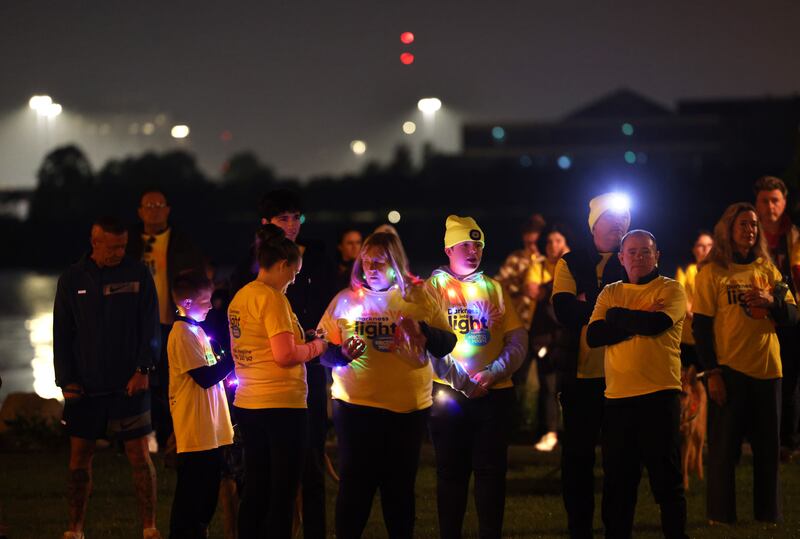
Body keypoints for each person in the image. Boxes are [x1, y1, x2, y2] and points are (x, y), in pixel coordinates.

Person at [317, 232, 465, 539]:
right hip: (355, 409)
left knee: (399, 490)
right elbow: (320, 352)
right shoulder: (345, 300)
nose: (371, 268)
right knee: (354, 489)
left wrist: (423, 331)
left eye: (380, 262)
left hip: (407, 412)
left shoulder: (418, 297)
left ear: (395, 263)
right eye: (366, 261)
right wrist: (340, 354)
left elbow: (447, 342)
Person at [230, 189, 336, 539]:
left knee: (258, 483)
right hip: (281, 404)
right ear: (281, 265)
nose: (294, 280)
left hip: (249, 401)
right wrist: (317, 346)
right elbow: (285, 355)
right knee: (283, 489)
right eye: (292, 273)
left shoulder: (241, 296)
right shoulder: (273, 299)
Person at [53, 216, 161, 539]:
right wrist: (65, 380)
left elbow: (150, 325)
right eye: (112, 247)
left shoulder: (138, 273)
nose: (119, 253)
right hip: (84, 389)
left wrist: (144, 369)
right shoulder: (72, 279)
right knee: (79, 457)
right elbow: (61, 333)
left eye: (123, 246)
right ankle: (74, 530)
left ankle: (149, 528)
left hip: (129, 386)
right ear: (94, 241)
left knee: (139, 455)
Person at [693, 202, 798, 524]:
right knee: (725, 451)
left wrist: (773, 301)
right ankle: (721, 516)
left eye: (753, 225)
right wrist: (712, 373)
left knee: (767, 451)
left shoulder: (768, 270)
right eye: (743, 224)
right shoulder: (711, 272)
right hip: (729, 370)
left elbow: (793, 315)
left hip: (768, 369)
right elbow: (701, 328)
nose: (750, 229)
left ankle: (769, 515)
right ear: (728, 228)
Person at [425, 215, 527, 539]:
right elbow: (427, 345)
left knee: (491, 473)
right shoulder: (433, 289)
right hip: (450, 398)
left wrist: (494, 373)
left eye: (478, 244)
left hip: (495, 396)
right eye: (466, 245)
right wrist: (464, 382)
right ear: (448, 249)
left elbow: (517, 338)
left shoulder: (493, 288)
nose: (473, 251)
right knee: (451, 474)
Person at [587, 230, 688, 539]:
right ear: (620, 258)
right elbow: (594, 337)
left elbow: (656, 325)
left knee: (666, 478)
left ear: (657, 256)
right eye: (632, 252)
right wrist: (632, 319)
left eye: (646, 251)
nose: (639, 257)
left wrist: (617, 317)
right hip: (618, 399)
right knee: (618, 481)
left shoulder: (672, 290)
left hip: (660, 395)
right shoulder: (610, 293)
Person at [552, 193, 630, 538]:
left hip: (624, 377)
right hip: (580, 378)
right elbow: (565, 313)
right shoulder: (569, 262)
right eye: (612, 219)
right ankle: (579, 528)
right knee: (577, 461)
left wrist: (590, 304)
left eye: (624, 219)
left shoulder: (635, 259)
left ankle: (617, 528)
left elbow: (639, 312)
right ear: (594, 224)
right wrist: (612, 309)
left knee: (621, 462)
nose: (620, 225)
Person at [127, 190, 205, 453]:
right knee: (140, 380)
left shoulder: (181, 242)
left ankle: (170, 438)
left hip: (171, 323)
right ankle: (130, 438)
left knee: (172, 382)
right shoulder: (129, 243)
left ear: (168, 210)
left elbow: (196, 278)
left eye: (159, 205)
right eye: (148, 205)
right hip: (137, 326)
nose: (154, 210)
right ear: (139, 211)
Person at [167, 269, 234, 538]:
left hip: (210, 431)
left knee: (206, 496)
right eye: (206, 301)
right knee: (191, 498)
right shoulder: (181, 335)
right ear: (187, 303)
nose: (211, 306)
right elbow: (205, 377)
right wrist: (234, 359)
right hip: (195, 432)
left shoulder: (196, 331)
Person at [753, 176, 800, 460]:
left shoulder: (794, 237)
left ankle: (788, 441)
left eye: (775, 200)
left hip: (791, 315)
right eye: (764, 200)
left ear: (784, 203)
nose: (770, 206)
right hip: (758, 316)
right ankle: (760, 437)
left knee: (791, 378)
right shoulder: (747, 234)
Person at [528, 225, 571, 452]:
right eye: (549, 242)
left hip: (568, 335)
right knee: (548, 386)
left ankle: (571, 432)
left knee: (572, 387)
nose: (553, 245)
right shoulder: (539, 266)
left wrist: (549, 286)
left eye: (558, 240)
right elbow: (534, 291)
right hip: (545, 337)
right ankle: (550, 432)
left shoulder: (573, 262)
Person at [495, 214, 547, 332]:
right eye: (529, 243)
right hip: (518, 322)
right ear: (524, 238)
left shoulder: (548, 261)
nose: (533, 247)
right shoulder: (515, 259)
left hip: (543, 325)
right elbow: (498, 285)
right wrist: (520, 289)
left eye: (535, 243)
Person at [675, 231, 713, 370]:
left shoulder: (719, 272)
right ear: (694, 249)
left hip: (715, 337)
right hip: (689, 338)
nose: (706, 249)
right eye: (701, 245)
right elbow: (682, 299)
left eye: (709, 245)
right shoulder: (686, 270)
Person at [335, 227, 363, 291]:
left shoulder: (365, 269)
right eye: (350, 243)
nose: (355, 247)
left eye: (358, 242)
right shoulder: (331, 269)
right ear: (340, 246)